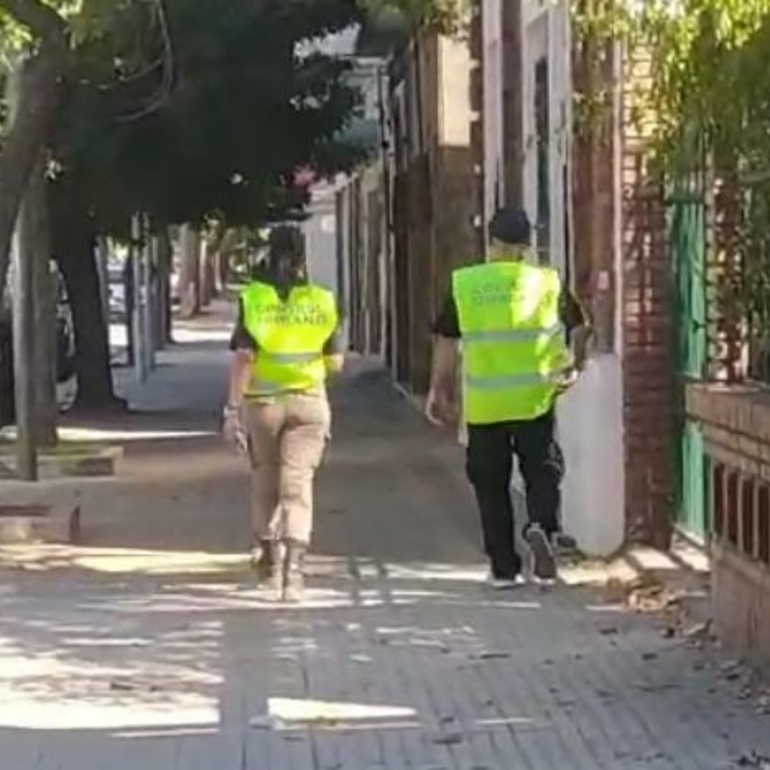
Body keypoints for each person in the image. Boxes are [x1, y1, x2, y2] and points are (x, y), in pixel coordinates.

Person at [426, 207, 591, 588]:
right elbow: (581, 328)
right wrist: (573, 365)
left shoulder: (465, 285)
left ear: (492, 244)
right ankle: (541, 529)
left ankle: (503, 568)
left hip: (486, 406)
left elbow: (447, 342)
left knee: (490, 483)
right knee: (542, 472)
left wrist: (441, 390)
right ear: (525, 246)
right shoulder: (546, 283)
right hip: (535, 398)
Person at [223, 225, 344, 602]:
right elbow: (336, 362)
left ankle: (270, 563)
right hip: (309, 404)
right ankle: (295, 573)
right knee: (298, 486)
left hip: (264, 404)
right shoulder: (322, 301)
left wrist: (231, 409)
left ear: (268, 253)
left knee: (266, 482)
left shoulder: (254, 300)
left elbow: (245, 357)